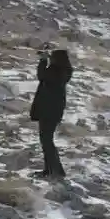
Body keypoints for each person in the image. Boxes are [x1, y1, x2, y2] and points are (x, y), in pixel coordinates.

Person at [29, 48, 73, 179]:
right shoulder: (62, 71)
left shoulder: (56, 71)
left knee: (47, 142)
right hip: (52, 111)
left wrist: (43, 61)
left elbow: (42, 75)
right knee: (47, 141)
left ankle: (55, 170)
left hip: (48, 111)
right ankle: (50, 170)